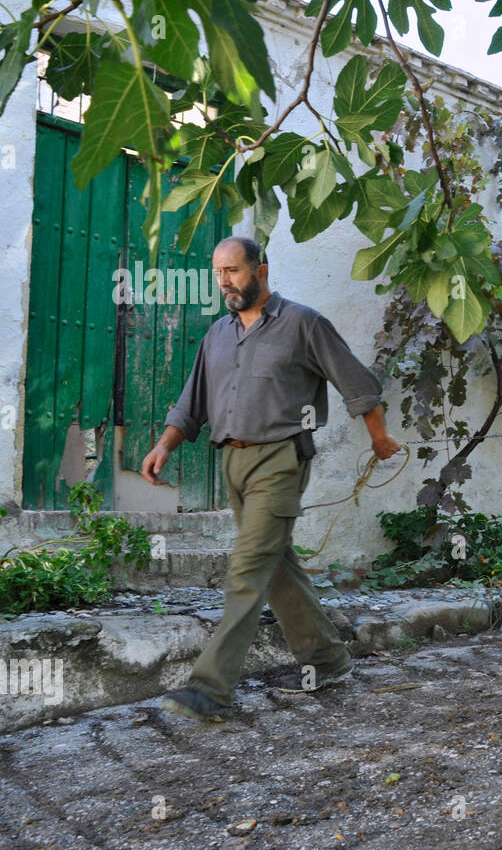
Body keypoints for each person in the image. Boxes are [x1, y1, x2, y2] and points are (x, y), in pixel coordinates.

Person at [141, 236, 402, 721]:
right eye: (218, 273)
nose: (225, 282)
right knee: (274, 562)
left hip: (282, 458)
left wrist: (380, 439)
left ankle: (210, 687)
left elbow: (358, 384)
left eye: (234, 271)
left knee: (248, 567)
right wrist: (164, 445)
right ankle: (327, 660)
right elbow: (191, 404)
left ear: (261, 271)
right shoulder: (217, 335)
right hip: (231, 463)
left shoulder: (303, 324)